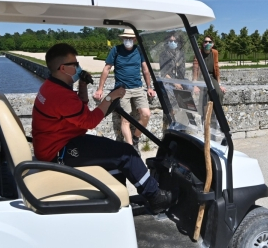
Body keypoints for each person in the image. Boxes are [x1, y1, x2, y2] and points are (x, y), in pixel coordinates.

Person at [32, 43, 174, 213]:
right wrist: (110, 97)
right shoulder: (60, 95)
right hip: (60, 152)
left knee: (114, 157)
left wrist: (83, 86)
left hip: (58, 144)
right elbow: (90, 121)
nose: (78, 67)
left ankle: (116, 200)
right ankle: (156, 196)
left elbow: (80, 111)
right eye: (75, 64)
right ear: (63, 68)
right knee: (127, 154)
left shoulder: (52, 86)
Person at [94, 29, 155, 153]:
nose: (128, 40)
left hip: (138, 87)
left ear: (135, 39)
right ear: (122, 39)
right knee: (125, 119)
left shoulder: (139, 50)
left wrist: (149, 87)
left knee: (146, 114)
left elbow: (145, 70)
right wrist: (100, 89)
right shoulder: (116, 50)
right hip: (122, 90)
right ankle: (130, 147)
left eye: (131, 38)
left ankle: (136, 138)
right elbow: (107, 69)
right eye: (126, 38)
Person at [192, 36, 226, 104]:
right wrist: (195, 85)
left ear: (212, 44)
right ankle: (205, 113)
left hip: (211, 76)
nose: (207, 43)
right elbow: (195, 69)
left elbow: (216, 68)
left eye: (210, 42)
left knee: (219, 93)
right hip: (201, 77)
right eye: (205, 41)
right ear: (203, 43)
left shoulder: (214, 52)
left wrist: (219, 84)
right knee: (205, 94)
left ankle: (217, 112)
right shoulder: (199, 52)